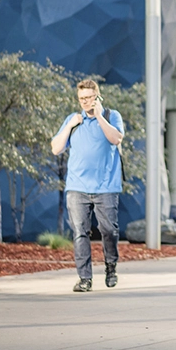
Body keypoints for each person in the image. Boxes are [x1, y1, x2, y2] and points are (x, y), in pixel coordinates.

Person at [51, 79, 124, 293]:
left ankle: (110, 266)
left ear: (98, 97)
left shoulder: (111, 116)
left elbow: (116, 139)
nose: (85, 102)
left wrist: (99, 116)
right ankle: (85, 278)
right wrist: (69, 126)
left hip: (106, 187)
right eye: (82, 98)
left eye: (89, 97)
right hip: (77, 187)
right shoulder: (73, 120)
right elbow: (56, 148)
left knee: (109, 230)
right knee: (79, 233)